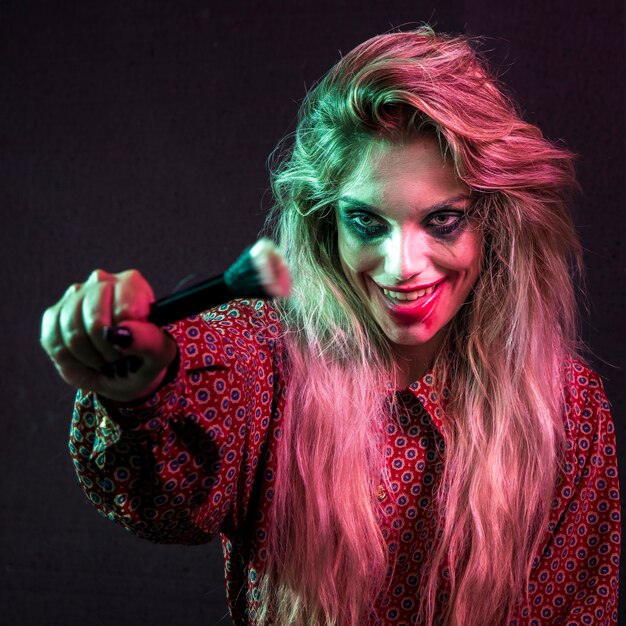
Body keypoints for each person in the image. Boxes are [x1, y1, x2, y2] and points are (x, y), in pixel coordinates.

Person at [40, 26, 620, 626]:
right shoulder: (265, 362)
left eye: (444, 220)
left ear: (493, 219)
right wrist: (142, 387)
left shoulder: (565, 410)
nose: (404, 267)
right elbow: (164, 501)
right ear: (328, 225)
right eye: (368, 223)